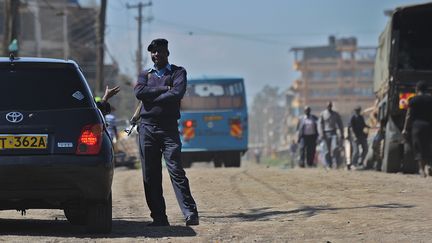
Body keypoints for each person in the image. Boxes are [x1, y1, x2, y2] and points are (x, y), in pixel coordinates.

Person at [134, 38, 199, 226]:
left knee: (176, 170)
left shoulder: (178, 72)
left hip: (169, 128)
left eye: (159, 51)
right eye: (153, 52)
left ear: (167, 53)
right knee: (150, 175)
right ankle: (159, 217)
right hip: (146, 129)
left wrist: (151, 96)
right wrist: (164, 89)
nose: (156, 55)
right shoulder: (144, 74)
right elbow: (139, 93)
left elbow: (177, 94)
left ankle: (190, 213)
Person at [402, 81, 432, 177]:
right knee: (428, 146)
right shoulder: (430, 99)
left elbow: (409, 115)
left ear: (417, 89)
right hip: (429, 126)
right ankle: (429, 165)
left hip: (417, 127)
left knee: (418, 148)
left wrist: (405, 128)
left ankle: (421, 169)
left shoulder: (413, 100)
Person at [319, 101, 344, 169]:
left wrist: (342, 133)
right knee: (327, 150)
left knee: (335, 147)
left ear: (331, 106)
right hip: (326, 133)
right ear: (326, 106)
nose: (329, 107)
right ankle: (328, 164)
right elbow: (320, 124)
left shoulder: (335, 114)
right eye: (328, 106)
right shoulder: (323, 114)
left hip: (334, 132)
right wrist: (321, 134)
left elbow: (340, 124)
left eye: (330, 106)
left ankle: (336, 162)